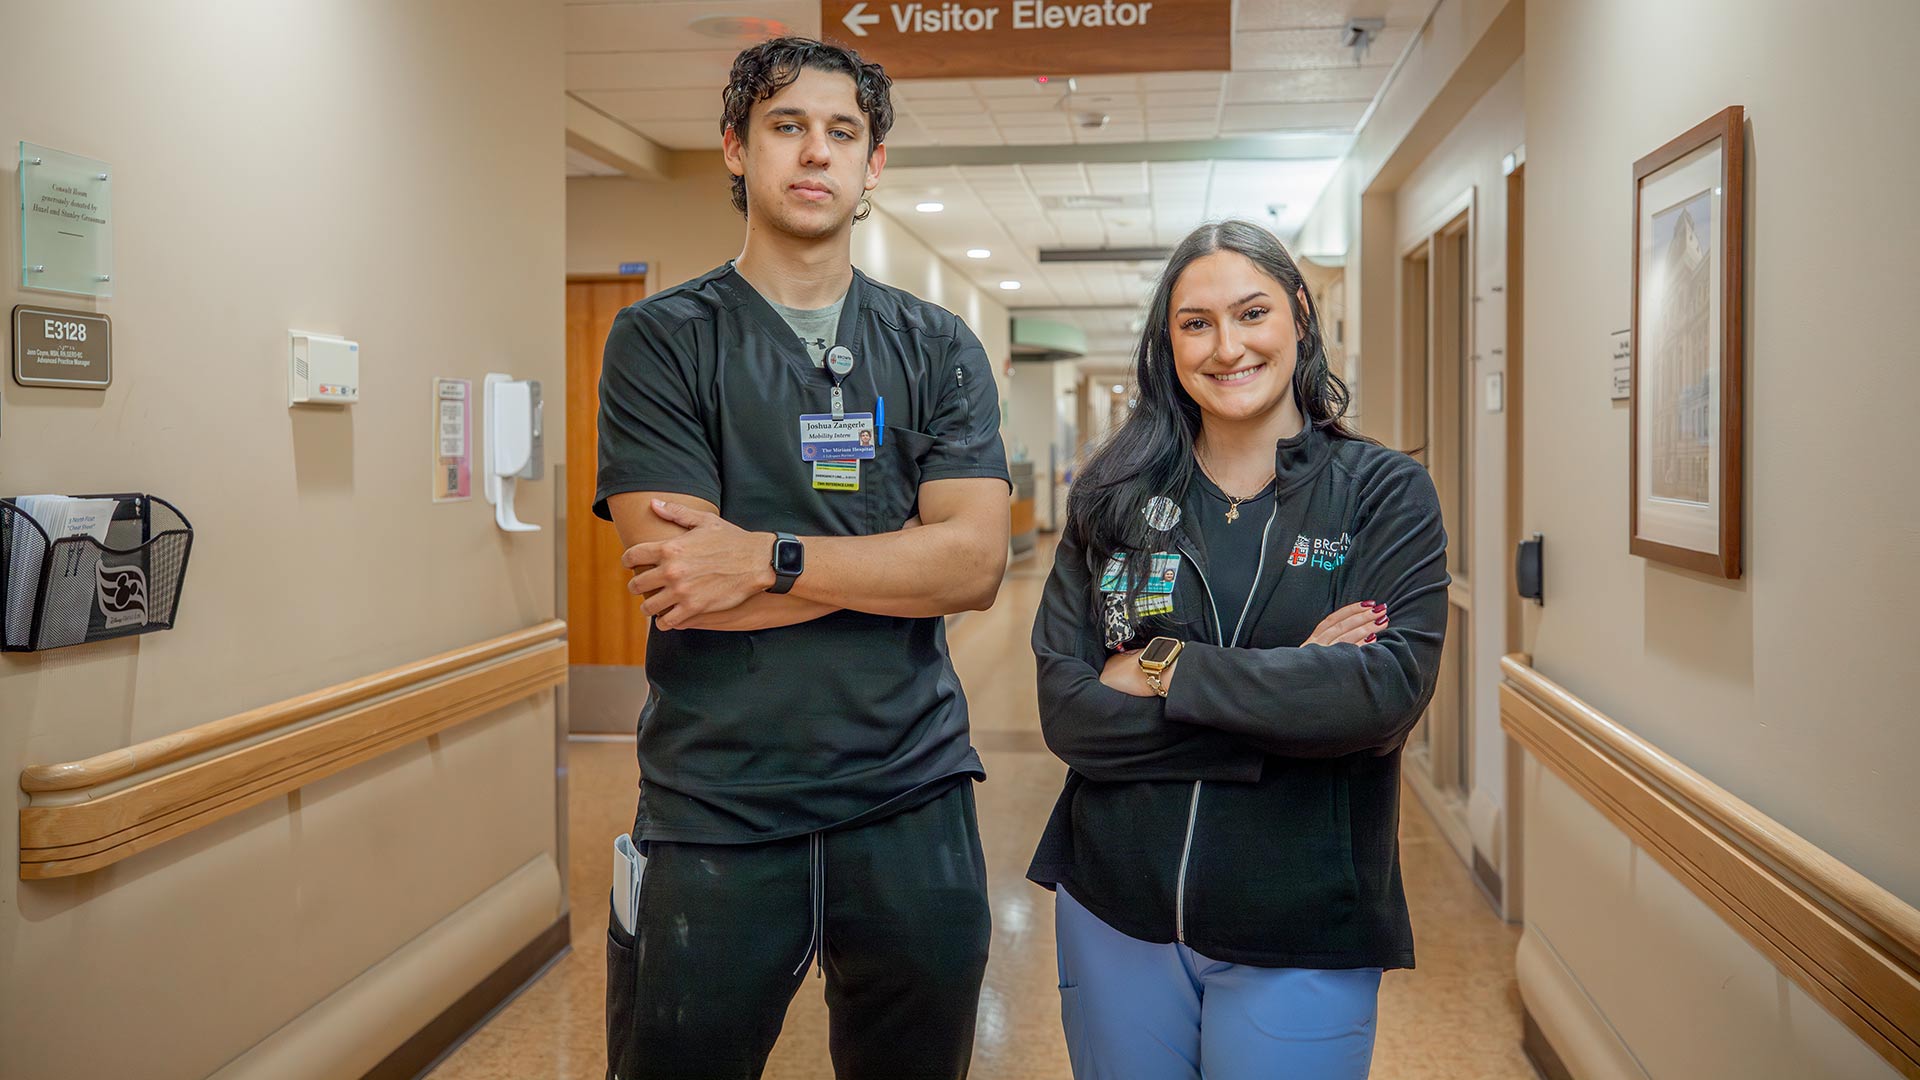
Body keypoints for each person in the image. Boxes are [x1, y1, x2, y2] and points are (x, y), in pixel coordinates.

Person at [593, 37, 1012, 1080]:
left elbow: (973, 567)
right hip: (717, 808)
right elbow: (685, 585)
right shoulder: (661, 340)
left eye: (843, 132)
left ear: (874, 166)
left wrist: (766, 559)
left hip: (910, 797)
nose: (815, 153)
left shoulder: (936, 345)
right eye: (787, 127)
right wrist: (894, 567)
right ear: (736, 149)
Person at [1027, 220, 1450, 1079]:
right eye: (1195, 323)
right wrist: (1290, 700)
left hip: (1301, 920)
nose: (1227, 347)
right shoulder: (1114, 499)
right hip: (1115, 905)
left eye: (1251, 312)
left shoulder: (1380, 494)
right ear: (1168, 342)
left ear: (1298, 311)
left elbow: (1381, 695)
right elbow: (1069, 714)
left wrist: (1162, 667)